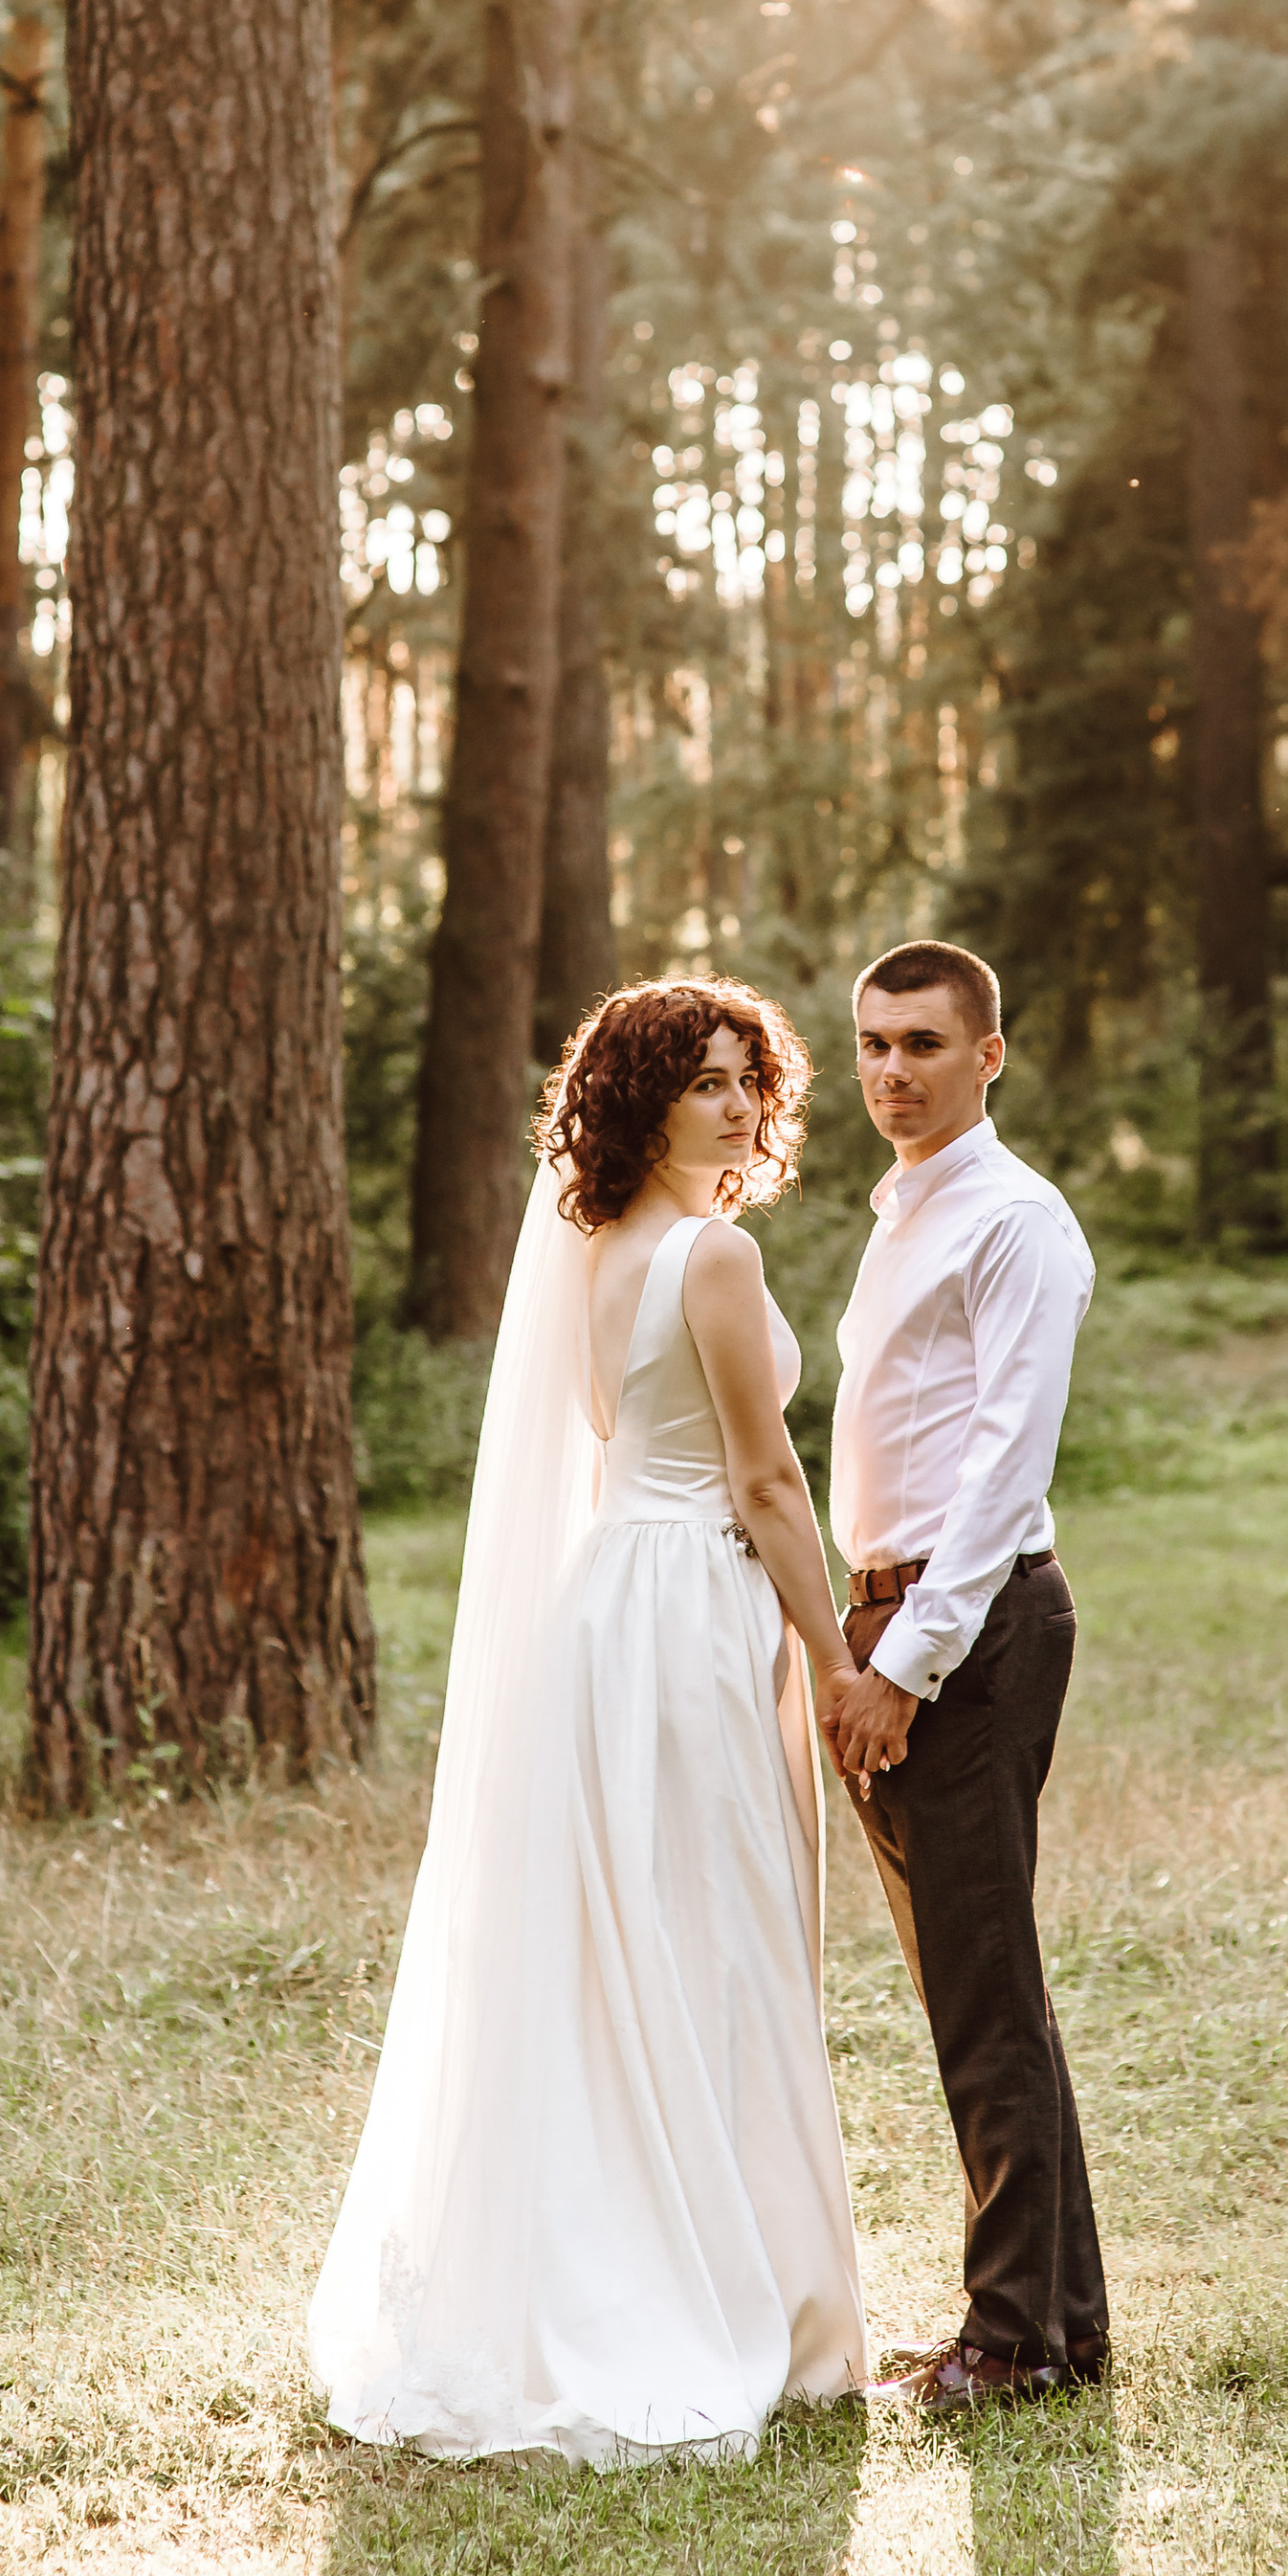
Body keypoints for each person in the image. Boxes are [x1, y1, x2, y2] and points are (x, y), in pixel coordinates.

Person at [309, 976, 867, 2464]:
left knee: (620, 1943)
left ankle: (612, 2253)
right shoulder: (718, 1256)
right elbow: (764, 1482)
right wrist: (835, 1654)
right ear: (644, 1101)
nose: (740, 1105)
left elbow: (617, 1440)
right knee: (718, 1932)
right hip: (692, 1608)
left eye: (751, 1077)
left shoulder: (589, 1247)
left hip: (602, 1608)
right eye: (704, 1082)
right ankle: (729, 2284)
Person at [821, 939, 1109, 2411]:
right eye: (873, 1043)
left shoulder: (1015, 1220)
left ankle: (1008, 2341)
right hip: (897, 1625)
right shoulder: (903, 1211)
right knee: (977, 1981)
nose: (892, 1070)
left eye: (923, 1043)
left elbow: (1003, 1468)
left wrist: (909, 1664)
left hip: (970, 1629)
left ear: (989, 1052)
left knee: (983, 1992)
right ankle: (1065, 2321)